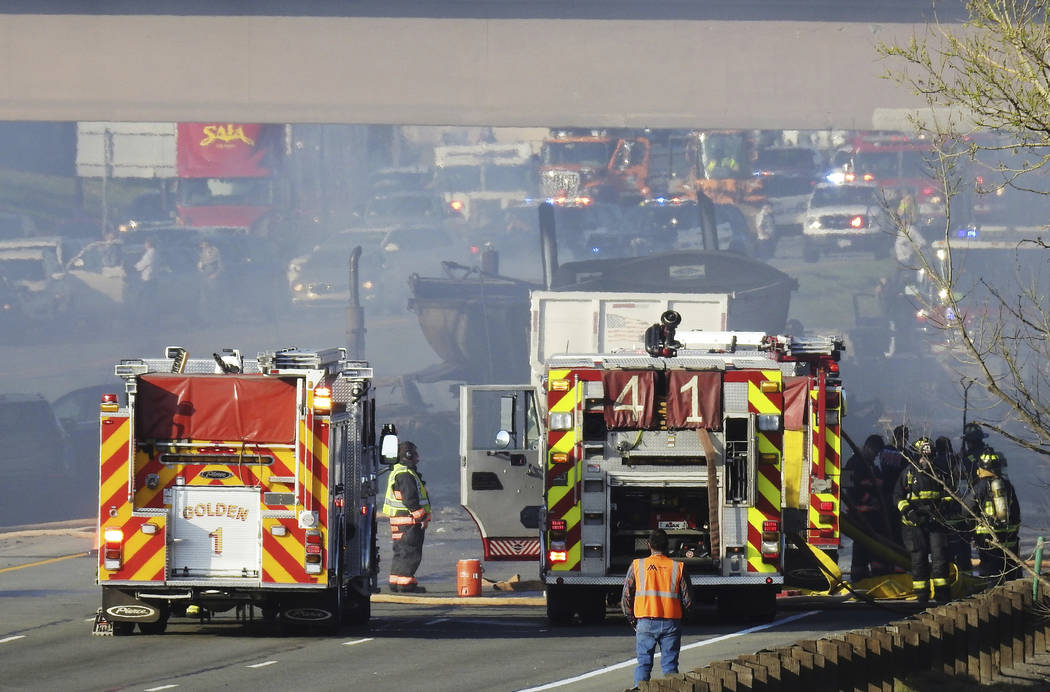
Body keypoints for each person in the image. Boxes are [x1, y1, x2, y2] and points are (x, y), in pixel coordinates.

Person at [621, 528, 693, 688]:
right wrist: (681, 618)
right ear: (667, 546)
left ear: (649, 545)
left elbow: (626, 598)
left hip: (645, 622)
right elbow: (687, 600)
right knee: (670, 667)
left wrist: (634, 622)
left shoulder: (637, 565)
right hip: (671, 623)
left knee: (643, 665)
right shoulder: (678, 567)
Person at [893, 437, 952, 603]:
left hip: (935, 523)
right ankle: (922, 596)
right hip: (914, 524)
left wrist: (944, 508)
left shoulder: (940, 473)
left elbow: (948, 494)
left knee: (940, 558)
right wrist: (908, 511)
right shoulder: (908, 473)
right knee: (919, 560)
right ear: (916, 455)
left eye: (929, 457)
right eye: (922, 457)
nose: (925, 460)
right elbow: (897, 496)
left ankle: (942, 596)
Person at [382, 441, 431, 593]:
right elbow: (410, 499)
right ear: (408, 455)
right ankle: (405, 583)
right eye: (415, 454)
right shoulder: (405, 474)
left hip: (399, 520)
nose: (418, 458)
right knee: (410, 552)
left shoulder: (397, 471)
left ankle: (395, 580)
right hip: (409, 521)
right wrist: (421, 517)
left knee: (401, 551)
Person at [967, 448, 1021, 584]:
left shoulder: (979, 487)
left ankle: (992, 598)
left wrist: (971, 530)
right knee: (1009, 573)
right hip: (1009, 540)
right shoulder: (1007, 486)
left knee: (991, 574)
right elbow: (1016, 512)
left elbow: (966, 509)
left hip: (988, 540)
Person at [843, 434, 893, 581]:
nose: (875, 456)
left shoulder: (872, 466)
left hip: (872, 515)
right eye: (875, 452)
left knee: (873, 545)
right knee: (862, 545)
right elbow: (847, 486)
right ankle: (860, 576)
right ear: (868, 447)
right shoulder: (852, 463)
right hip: (860, 514)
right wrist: (870, 499)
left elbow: (880, 485)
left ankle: (874, 575)